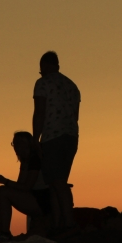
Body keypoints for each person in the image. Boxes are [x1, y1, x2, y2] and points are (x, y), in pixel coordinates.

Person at [32, 51, 81, 233]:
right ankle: (57, 224)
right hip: (71, 137)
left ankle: (69, 223)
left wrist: (35, 138)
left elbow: (39, 112)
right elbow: (76, 115)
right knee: (54, 183)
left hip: (52, 137)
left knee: (58, 183)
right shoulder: (72, 86)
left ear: (44, 66)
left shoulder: (42, 83)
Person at [0, 131, 53, 239]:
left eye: (19, 143)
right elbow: (20, 185)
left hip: (42, 200)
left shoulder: (34, 159)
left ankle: (4, 232)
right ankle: (4, 231)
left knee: (2, 191)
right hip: (36, 198)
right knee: (3, 191)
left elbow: (27, 186)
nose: (16, 147)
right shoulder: (26, 161)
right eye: (14, 143)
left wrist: (5, 181)